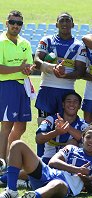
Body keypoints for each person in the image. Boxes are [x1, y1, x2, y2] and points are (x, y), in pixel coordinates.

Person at [0, 125, 92, 198]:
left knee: (57, 184)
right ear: (83, 139)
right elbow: (53, 162)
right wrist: (77, 169)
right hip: (48, 173)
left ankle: (34, 195)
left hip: (66, 186)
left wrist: (86, 182)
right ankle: (11, 190)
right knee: (17, 144)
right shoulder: (71, 148)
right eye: (88, 137)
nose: (91, 140)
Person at [34, 12, 86, 125]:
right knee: (43, 125)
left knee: (65, 126)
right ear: (56, 24)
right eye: (61, 20)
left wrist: (65, 75)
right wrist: (53, 68)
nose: (65, 23)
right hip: (46, 89)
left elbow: (80, 72)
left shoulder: (79, 45)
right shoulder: (47, 40)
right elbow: (36, 61)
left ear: (72, 25)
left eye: (68, 20)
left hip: (67, 91)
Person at [0, 10, 33, 161]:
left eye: (19, 23)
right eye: (12, 22)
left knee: (21, 126)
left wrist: (28, 69)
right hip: (7, 87)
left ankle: (9, 157)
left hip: (23, 87)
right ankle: (2, 162)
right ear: (6, 23)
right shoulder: (1, 42)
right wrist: (20, 68)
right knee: (6, 126)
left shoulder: (25, 43)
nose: (15, 26)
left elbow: (29, 66)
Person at [36, 92, 88, 164]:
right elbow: (38, 139)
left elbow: (87, 141)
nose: (72, 104)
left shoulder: (83, 124)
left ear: (79, 106)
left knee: (73, 143)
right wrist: (57, 132)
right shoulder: (51, 119)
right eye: (68, 101)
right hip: (48, 159)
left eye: (75, 102)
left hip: (68, 164)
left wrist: (67, 127)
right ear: (63, 105)